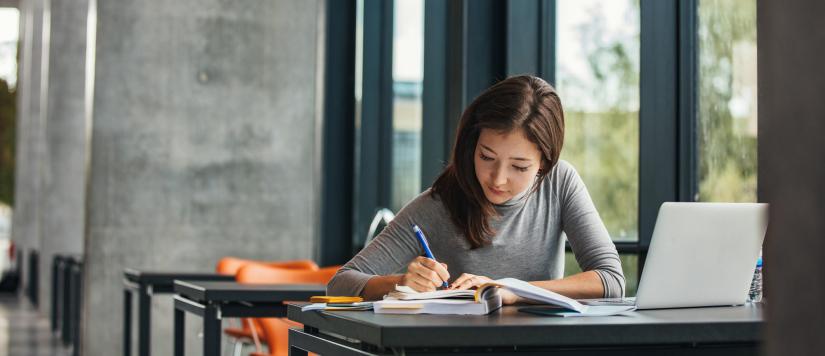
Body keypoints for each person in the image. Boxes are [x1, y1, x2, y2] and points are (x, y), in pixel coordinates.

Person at [327, 75, 625, 304]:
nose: (497, 179)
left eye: (519, 167)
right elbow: (340, 283)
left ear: (544, 164)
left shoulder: (559, 183)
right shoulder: (439, 204)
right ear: (472, 145)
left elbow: (610, 280)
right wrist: (400, 282)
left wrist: (511, 289)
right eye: (486, 157)